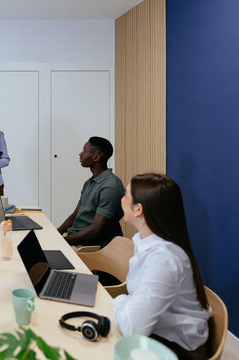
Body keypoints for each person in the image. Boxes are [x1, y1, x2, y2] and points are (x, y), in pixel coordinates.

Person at [113, 173, 211, 360]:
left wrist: (119, 300)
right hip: (156, 333)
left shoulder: (164, 258)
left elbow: (132, 328)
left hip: (176, 350)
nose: (121, 199)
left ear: (138, 210)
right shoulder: (146, 242)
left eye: (125, 195)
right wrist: (127, 304)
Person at [57, 136, 124, 247]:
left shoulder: (110, 187)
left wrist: (63, 242)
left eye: (84, 150)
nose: (80, 154)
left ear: (96, 157)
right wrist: (57, 234)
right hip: (76, 239)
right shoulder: (89, 183)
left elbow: (95, 230)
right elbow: (75, 215)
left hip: (90, 247)